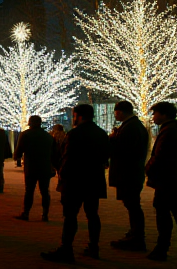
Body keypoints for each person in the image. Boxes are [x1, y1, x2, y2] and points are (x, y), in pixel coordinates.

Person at [41, 104, 110, 263]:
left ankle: (66, 249)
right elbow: (105, 156)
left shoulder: (75, 134)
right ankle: (94, 247)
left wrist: (62, 176)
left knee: (70, 216)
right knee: (92, 215)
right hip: (94, 179)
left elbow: (68, 159)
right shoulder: (101, 133)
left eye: (74, 115)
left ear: (78, 116)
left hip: (75, 181)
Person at [108, 100, 150, 251]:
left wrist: (112, 140)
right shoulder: (134, 126)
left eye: (115, 112)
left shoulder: (130, 128)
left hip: (128, 174)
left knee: (132, 205)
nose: (115, 115)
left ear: (120, 112)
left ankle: (137, 237)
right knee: (132, 205)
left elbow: (122, 151)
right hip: (132, 173)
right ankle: (135, 234)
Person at [146, 101, 177, 261]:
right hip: (170, 180)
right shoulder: (170, 129)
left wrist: (148, 168)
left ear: (164, 114)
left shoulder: (168, 132)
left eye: (155, 113)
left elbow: (159, 157)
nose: (153, 117)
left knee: (163, 216)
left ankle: (162, 248)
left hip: (167, 182)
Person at [13, 115, 57, 222]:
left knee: (29, 190)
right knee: (45, 191)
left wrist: (16, 156)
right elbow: (54, 153)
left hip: (31, 166)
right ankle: (45, 214)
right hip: (45, 167)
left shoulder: (26, 134)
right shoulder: (48, 136)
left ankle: (26, 213)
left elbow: (19, 151)